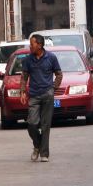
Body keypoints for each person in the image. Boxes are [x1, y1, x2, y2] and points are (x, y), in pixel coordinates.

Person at [20, 34, 63, 163]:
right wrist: (22, 91)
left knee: (45, 125)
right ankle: (37, 145)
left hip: (47, 95)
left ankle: (44, 153)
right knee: (31, 124)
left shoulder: (51, 58)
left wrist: (53, 88)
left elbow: (59, 74)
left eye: (31, 44)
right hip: (33, 96)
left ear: (39, 45)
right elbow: (24, 76)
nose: (30, 46)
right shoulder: (28, 59)